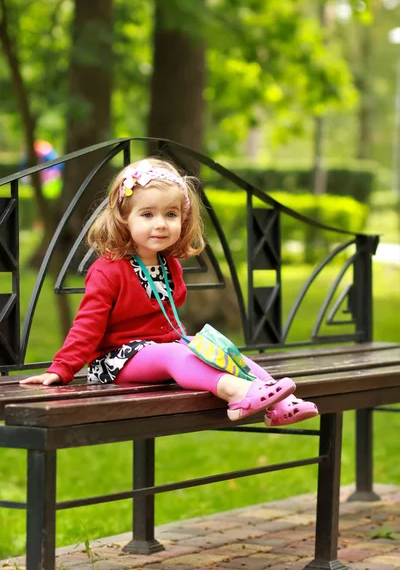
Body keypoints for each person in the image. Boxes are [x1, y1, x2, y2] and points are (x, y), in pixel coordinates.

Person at [20, 158, 318, 425]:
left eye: (171, 215)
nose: (161, 224)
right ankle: (237, 393)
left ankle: (281, 402)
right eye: (147, 215)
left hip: (162, 353)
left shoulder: (169, 265)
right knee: (175, 353)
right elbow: (87, 324)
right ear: (125, 219)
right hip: (115, 361)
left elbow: (168, 325)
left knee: (223, 349)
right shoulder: (108, 270)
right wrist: (61, 368)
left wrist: (199, 347)